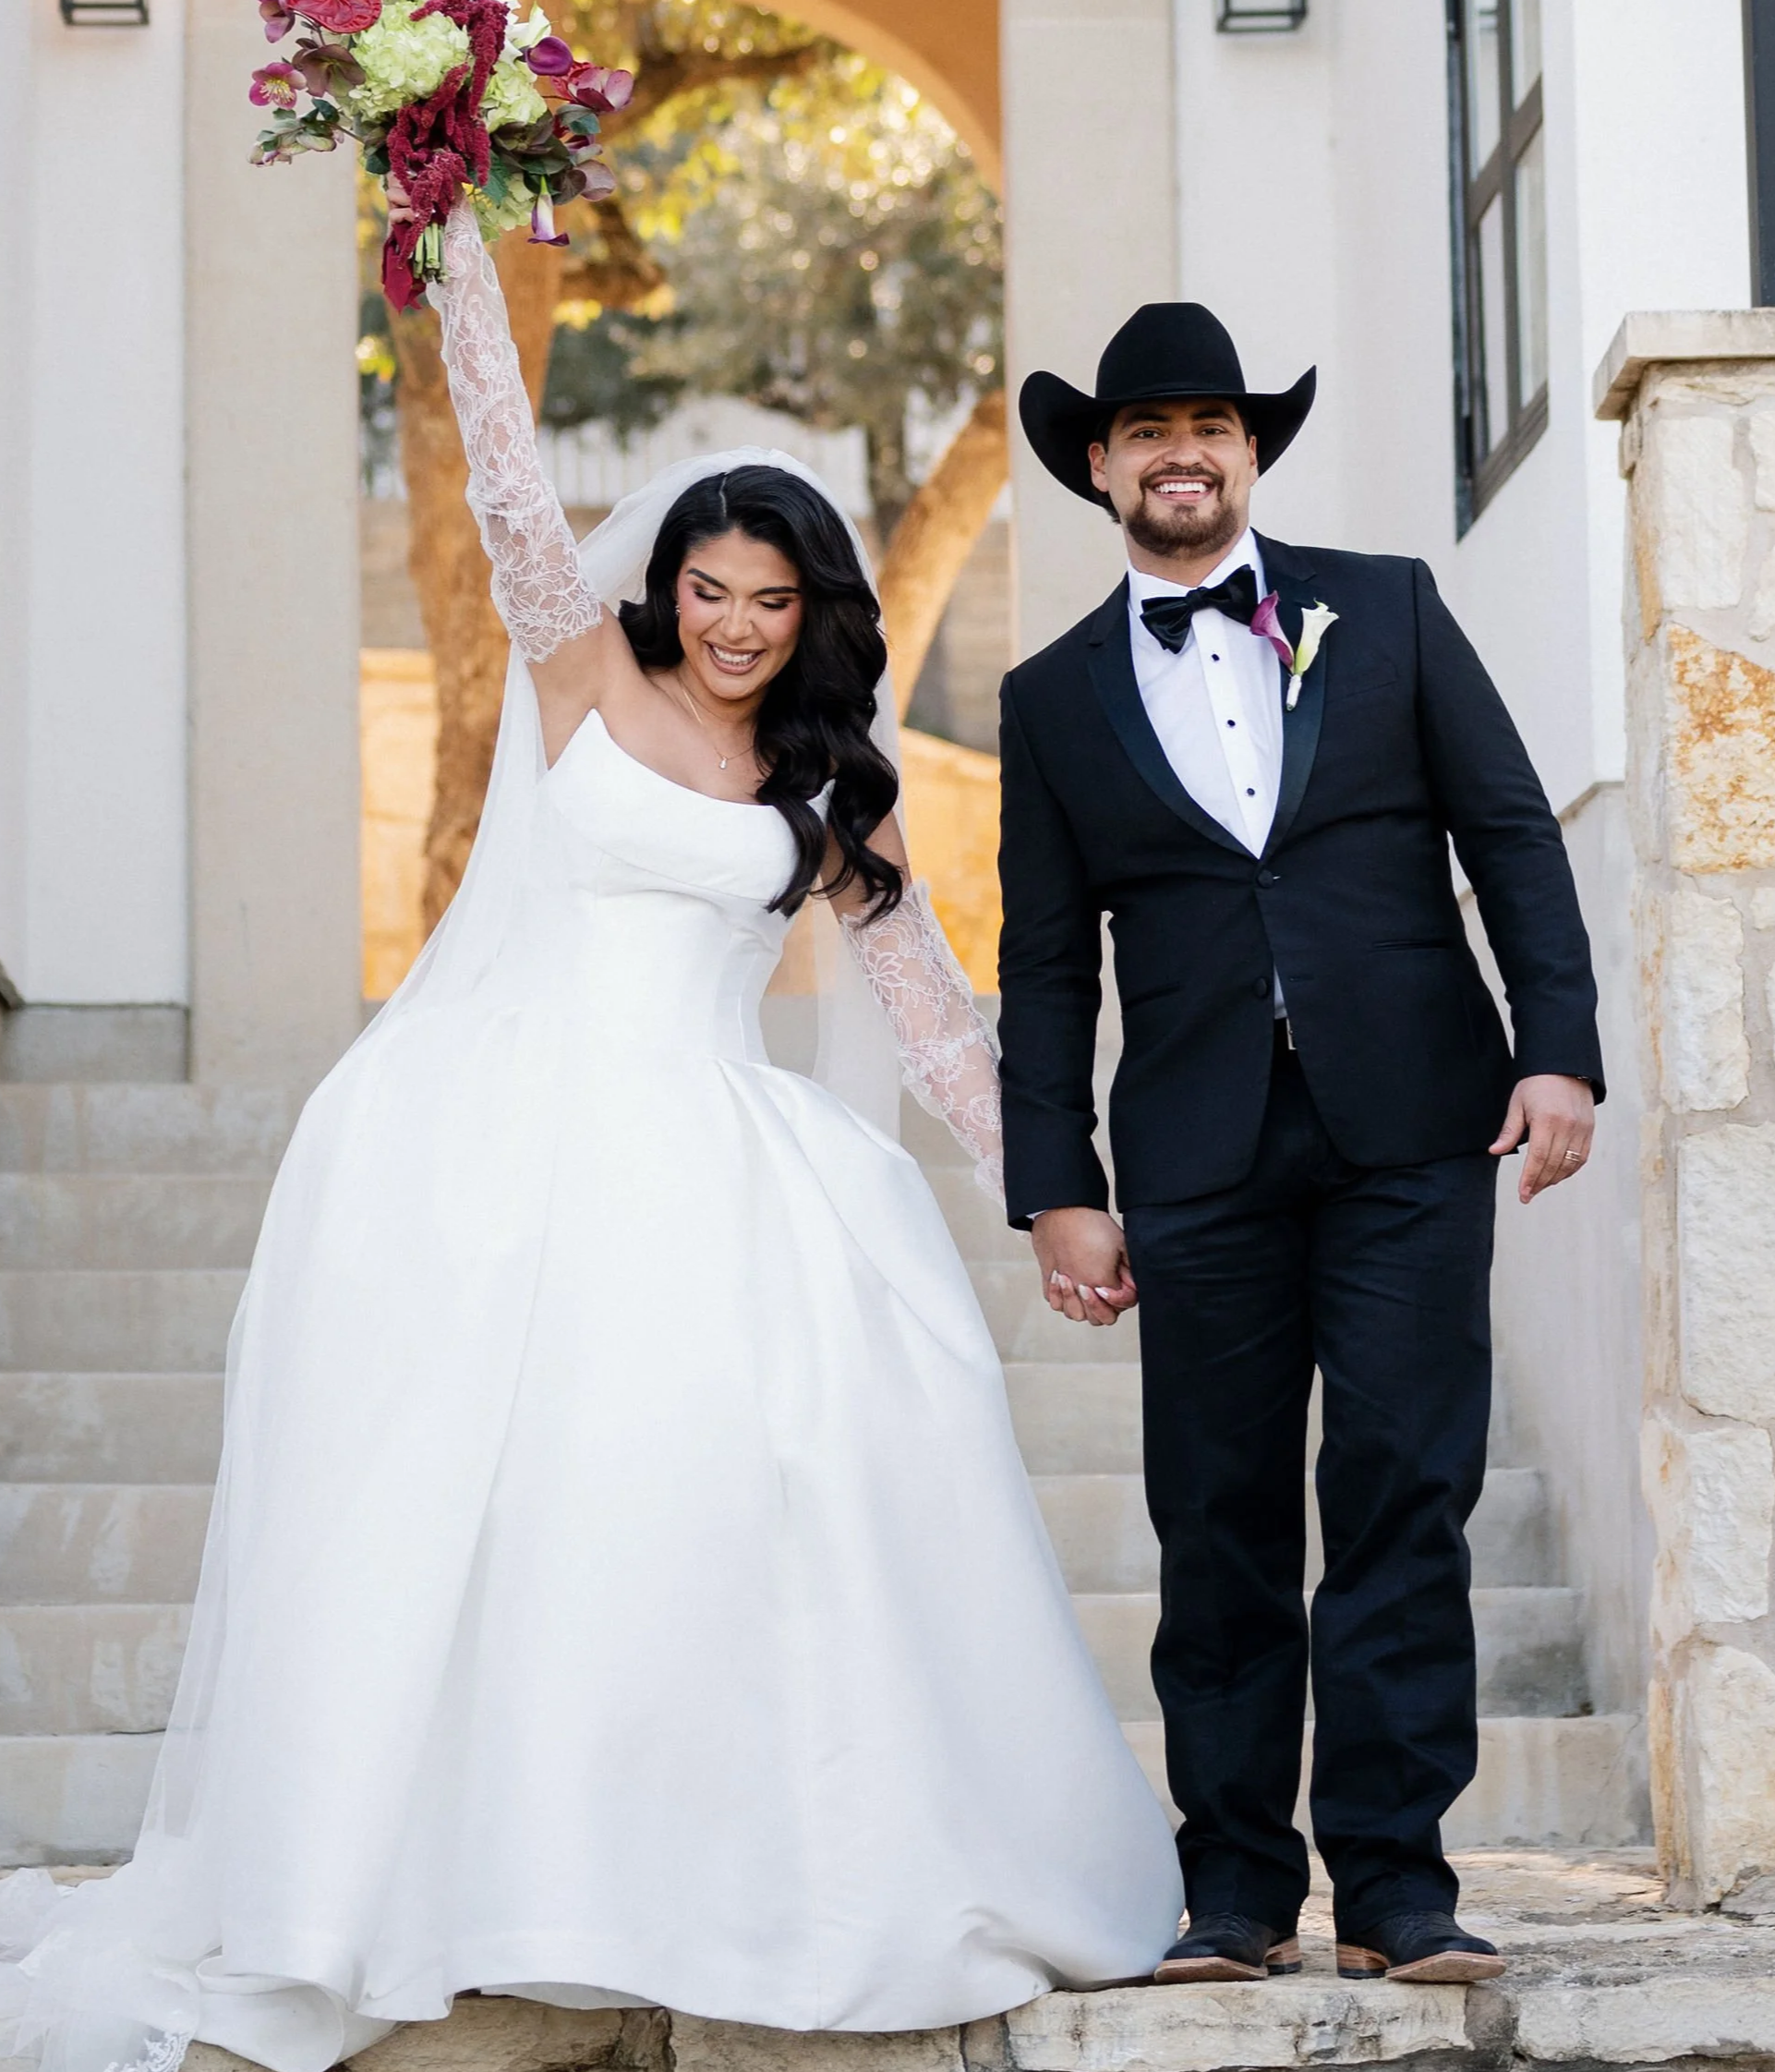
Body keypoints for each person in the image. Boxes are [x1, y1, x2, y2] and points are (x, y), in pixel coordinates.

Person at [0, 206, 1179, 2072]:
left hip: (711, 1156)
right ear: (668, 590)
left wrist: (1054, 1201)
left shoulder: (825, 791)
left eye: (767, 600)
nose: (729, 622)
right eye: (707, 588)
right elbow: (500, 469)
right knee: (480, 1510)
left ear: (814, 616)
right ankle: (463, 1883)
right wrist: (449, 231)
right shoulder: (578, 673)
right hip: (495, 1135)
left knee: (723, 1494)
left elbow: (933, 1014)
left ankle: (706, 1874)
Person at [998, 303, 1603, 1989]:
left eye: (1209, 421)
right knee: (1221, 1516)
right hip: (1194, 1155)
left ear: (1250, 451)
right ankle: (1236, 1892)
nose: (1178, 450)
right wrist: (1056, 1184)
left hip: (1415, 1122)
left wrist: (1558, 1051)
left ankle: (1400, 1887)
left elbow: (1506, 833)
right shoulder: (1048, 698)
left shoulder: (1386, 605)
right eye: (1143, 429)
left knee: (1407, 1491)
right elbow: (1043, 961)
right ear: (1099, 466)